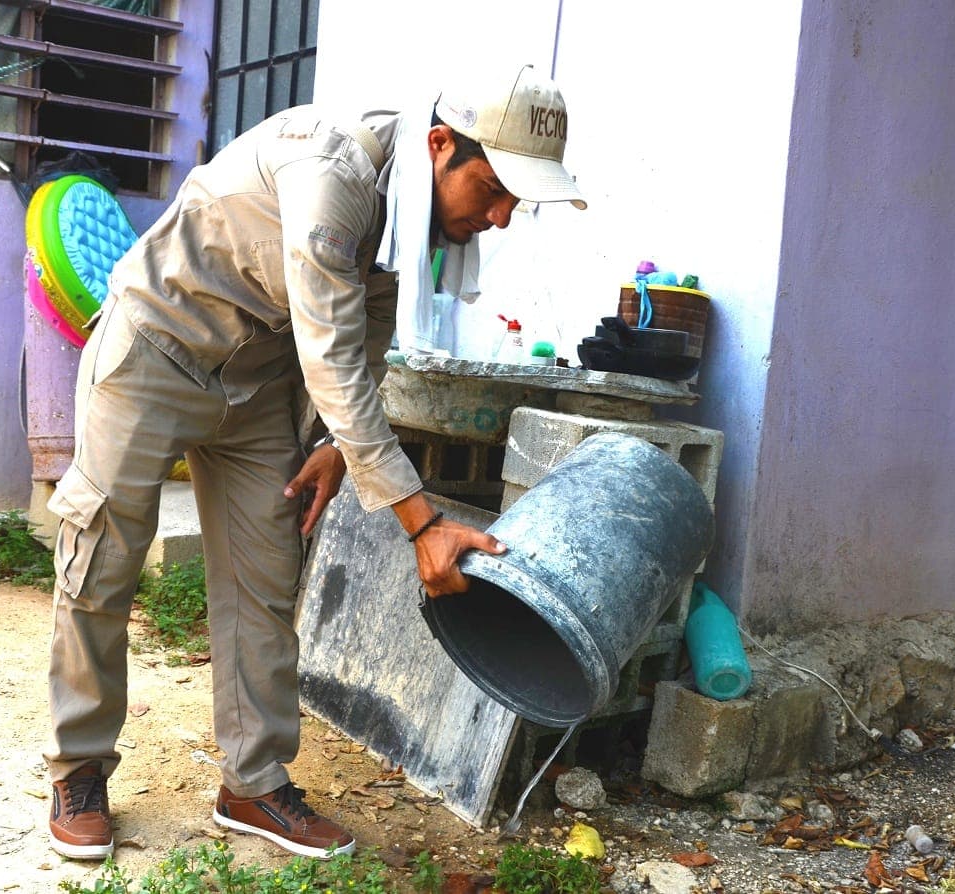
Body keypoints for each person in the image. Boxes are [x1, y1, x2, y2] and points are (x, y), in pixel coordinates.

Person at [44, 63, 585, 862]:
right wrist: (423, 523)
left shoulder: (409, 214)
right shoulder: (334, 174)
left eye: (517, 202)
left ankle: (253, 784)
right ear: (442, 145)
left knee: (266, 578)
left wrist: (335, 445)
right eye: (497, 189)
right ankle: (79, 768)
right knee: (104, 557)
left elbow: (368, 332)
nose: (502, 216)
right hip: (157, 347)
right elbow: (331, 357)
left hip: (258, 382)